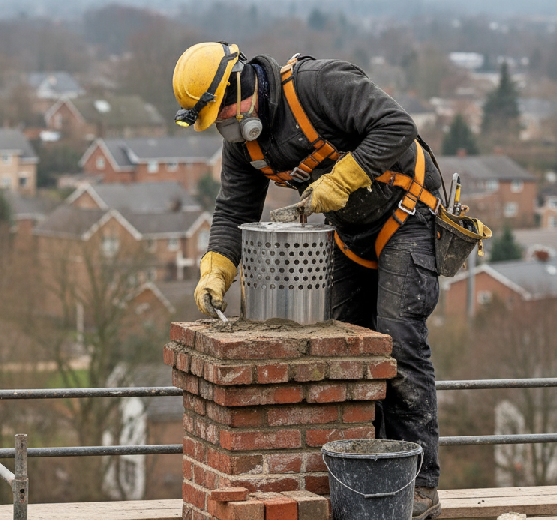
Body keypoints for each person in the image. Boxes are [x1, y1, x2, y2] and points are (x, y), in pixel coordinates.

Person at [172, 42, 442, 520]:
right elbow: (235, 209)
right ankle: (372, 474)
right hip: (350, 234)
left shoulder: (319, 86)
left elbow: (398, 127)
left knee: (398, 341)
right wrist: (216, 268)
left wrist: (341, 180)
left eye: (224, 110)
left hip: (409, 213)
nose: (225, 124)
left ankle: (419, 483)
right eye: (215, 119)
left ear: (241, 81)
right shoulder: (244, 144)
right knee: (343, 345)